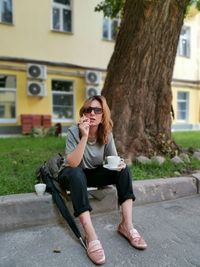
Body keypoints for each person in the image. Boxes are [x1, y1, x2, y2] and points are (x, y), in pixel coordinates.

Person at [58, 95, 147, 265]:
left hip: (90, 175)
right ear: (83, 113)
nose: (92, 113)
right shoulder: (73, 131)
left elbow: (112, 159)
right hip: (70, 176)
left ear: (103, 115)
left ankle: (126, 225)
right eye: (88, 110)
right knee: (76, 172)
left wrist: (119, 163)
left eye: (97, 110)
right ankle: (90, 235)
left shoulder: (106, 133)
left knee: (124, 170)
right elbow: (73, 163)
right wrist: (84, 136)